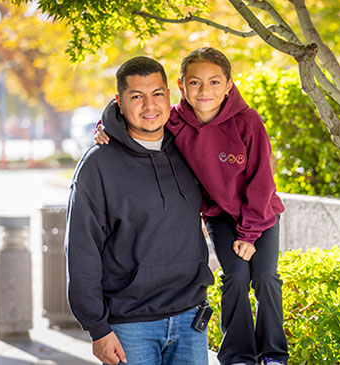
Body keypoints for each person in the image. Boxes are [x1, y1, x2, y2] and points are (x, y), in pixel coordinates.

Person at [95, 48, 289, 365]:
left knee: (265, 277)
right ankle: (238, 355)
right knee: (236, 277)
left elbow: (262, 181)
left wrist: (250, 234)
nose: (204, 91)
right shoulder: (175, 120)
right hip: (220, 216)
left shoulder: (247, 121)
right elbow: (137, 113)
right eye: (195, 83)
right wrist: (105, 129)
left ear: (228, 85)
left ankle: (273, 353)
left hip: (260, 214)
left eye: (214, 82)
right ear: (182, 87)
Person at [66, 56, 214, 365]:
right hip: (128, 326)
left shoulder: (190, 149)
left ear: (169, 97)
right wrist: (97, 328)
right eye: (137, 96)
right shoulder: (98, 165)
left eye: (157, 94)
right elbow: (82, 250)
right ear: (119, 102)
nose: (149, 106)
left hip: (190, 319)